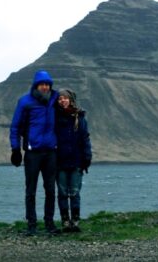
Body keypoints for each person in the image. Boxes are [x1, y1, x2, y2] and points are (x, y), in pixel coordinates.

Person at [9, 70, 60, 236]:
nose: (45, 87)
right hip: (33, 153)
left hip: (51, 152)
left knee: (50, 190)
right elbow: (15, 126)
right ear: (36, 85)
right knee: (31, 190)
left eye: (48, 84)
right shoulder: (25, 102)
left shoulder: (55, 99)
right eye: (42, 84)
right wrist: (15, 149)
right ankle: (31, 224)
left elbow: (69, 107)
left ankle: (49, 223)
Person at [54, 88, 92, 232]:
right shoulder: (54, 117)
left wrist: (87, 157)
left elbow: (85, 138)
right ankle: (65, 221)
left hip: (76, 161)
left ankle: (75, 221)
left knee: (75, 193)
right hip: (60, 162)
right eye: (60, 98)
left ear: (70, 99)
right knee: (62, 193)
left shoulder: (80, 117)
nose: (62, 100)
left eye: (65, 98)